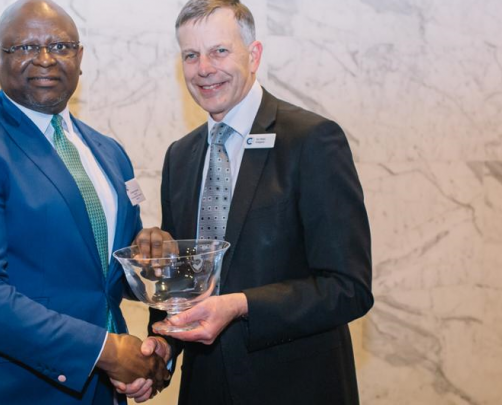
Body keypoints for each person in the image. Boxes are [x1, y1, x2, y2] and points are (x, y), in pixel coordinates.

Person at [0, 1, 168, 404]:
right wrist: (107, 352)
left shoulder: (109, 152)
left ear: (79, 57)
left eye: (60, 46)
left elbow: (104, 273)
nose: (45, 59)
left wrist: (148, 258)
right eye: (24, 47)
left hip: (94, 388)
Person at [116, 0, 374, 404]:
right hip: (204, 390)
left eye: (219, 51)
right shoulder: (180, 156)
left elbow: (348, 288)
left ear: (253, 56)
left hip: (296, 389)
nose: (204, 68)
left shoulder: (311, 141)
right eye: (191, 55)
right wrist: (164, 347)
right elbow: (184, 279)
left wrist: (240, 305)